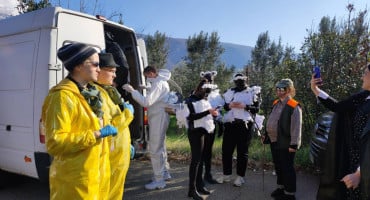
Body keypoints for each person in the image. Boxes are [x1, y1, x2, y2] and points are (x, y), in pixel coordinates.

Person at [41, 43, 117, 200]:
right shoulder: (61, 97)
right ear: (78, 66)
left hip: (96, 178)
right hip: (75, 183)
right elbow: (55, 143)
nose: (99, 69)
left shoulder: (91, 94)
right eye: (95, 64)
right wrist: (96, 134)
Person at [311, 63, 370, 200]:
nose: (362, 77)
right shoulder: (362, 97)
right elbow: (337, 106)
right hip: (352, 163)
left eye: (365, 73)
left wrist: (360, 173)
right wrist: (315, 88)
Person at [122, 66, 171, 190]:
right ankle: (164, 173)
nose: (147, 78)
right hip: (160, 117)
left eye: (147, 76)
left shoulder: (159, 84)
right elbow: (157, 92)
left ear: (152, 73)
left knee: (155, 150)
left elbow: (146, 102)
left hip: (158, 118)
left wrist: (133, 91)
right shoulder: (160, 81)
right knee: (161, 147)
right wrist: (147, 88)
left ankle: (159, 180)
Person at [94, 53, 134, 200]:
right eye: (111, 71)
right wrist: (128, 114)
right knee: (107, 194)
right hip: (109, 156)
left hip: (118, 153)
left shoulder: (107, 91)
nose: (114, 75)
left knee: (116, 193)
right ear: (99, 70)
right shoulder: (97, 94)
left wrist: (127, 144)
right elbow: (109, 126)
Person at [216, 73, 262, 187]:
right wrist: (230, 105)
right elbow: (225, 107)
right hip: (231, 124)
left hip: (245, 126)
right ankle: (226, 174)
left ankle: (240, 177)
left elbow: (256, 109)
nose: (239, 84)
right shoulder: (230, 92)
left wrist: (245, 106)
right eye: (237, 82)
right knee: (226, 150)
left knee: (242, 152)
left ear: (245, 81)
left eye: (241, 82)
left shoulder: (253, 92)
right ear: (234, 82)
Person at [176, 79, 218, 200]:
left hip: (203, 132)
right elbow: (191, 117)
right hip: (195, 133)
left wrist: (212, 113)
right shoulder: (189, 100)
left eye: (207, 94)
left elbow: (204, 114)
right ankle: (191, 189)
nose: (206, 96)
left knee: (200, 161)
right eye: (205, 93)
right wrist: (207, 112)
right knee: (195, 161)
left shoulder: (202, 99)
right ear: (200, 89)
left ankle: (199, 185)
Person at [266, 78, 302, 200]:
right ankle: (281, 188)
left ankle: (290, 194)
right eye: (278, 88)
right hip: (274, 140)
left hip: (286, 143)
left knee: (287, 168)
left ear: (290, 90)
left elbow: (296, 127)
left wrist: (294, 145)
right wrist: (267, 137)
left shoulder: (294, 105)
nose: (279, 91)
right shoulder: (276, 103)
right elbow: (272, 121)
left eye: (283, 89)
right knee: (278, 166)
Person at [199, 71, 225, 184]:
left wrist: (220, 123)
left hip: (211, 125)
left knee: (208, 151)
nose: (210, 82)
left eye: (211, 80)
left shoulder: (216, 96)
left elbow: (218, 110)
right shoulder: (198, 93)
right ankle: (198, 176)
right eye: (207, 80)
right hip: (200, 125)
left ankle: (207, 174)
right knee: (200, 151)